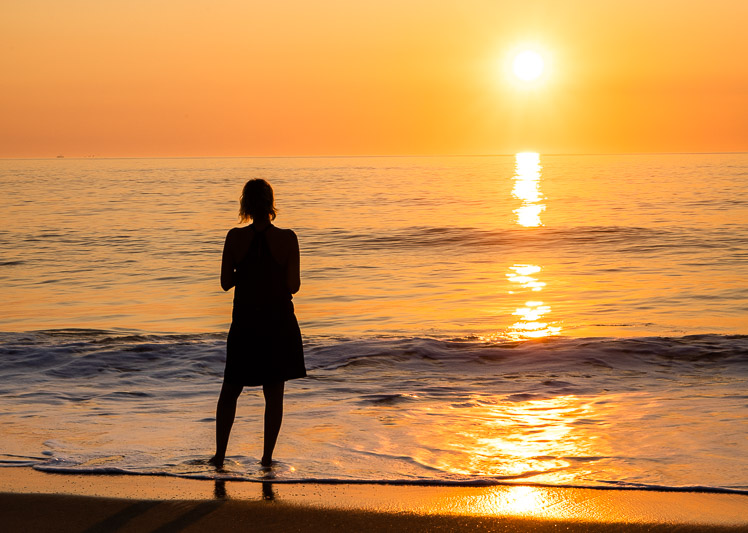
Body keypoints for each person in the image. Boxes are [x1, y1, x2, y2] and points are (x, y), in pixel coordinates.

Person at [209, 179, 306, 468]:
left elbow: (226, 282)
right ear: (271, 204)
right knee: (273, 394)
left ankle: (220, 456)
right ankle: (266, 459)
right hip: (278, 323)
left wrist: (248, 274)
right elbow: (293, 285)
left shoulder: (234, 237)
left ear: (246, 205)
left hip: (246, 322)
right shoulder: (288, 238)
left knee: (230, 390)